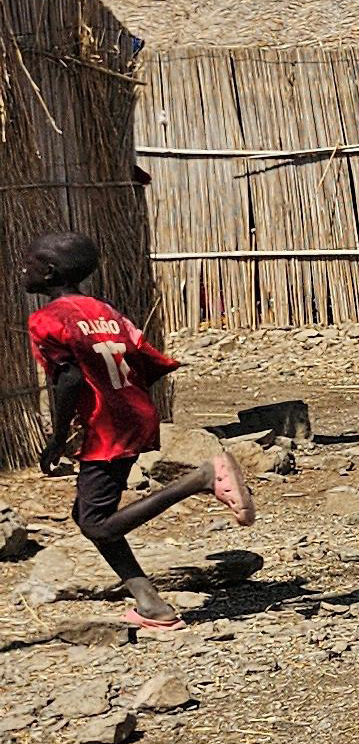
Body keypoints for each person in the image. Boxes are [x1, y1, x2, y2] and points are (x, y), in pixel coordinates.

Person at [25, 233, 248, 626]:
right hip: (131, 410)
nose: (22, 269)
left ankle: (201, 478)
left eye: (30, 263)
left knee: (96, 522)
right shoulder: (103, 310)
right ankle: (150, 603)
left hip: (106, 425)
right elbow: (142, 355)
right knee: (88, 515)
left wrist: (58, 438)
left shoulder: (48, 320)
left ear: (50, 272)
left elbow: (70, 379)